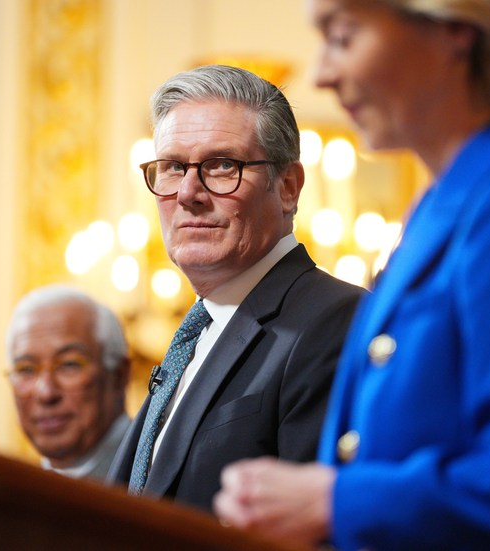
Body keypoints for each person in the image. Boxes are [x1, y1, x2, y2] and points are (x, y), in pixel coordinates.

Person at [214, 1, 490, 550]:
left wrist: (331, 501)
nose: (321, 74)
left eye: (343, 36)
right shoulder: (439, 207)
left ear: (455, 29)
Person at [107, 65, 365, 511]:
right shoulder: (194, 334)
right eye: (171, 167)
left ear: (288, 187)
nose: (189, 192)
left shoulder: (336, 321)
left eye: (222, 165)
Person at [6, 284, 131, 481]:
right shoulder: (2, 495)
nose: (46, 393)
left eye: (69, 365)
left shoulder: (160, 478)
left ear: (119, 376)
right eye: (26, 369)